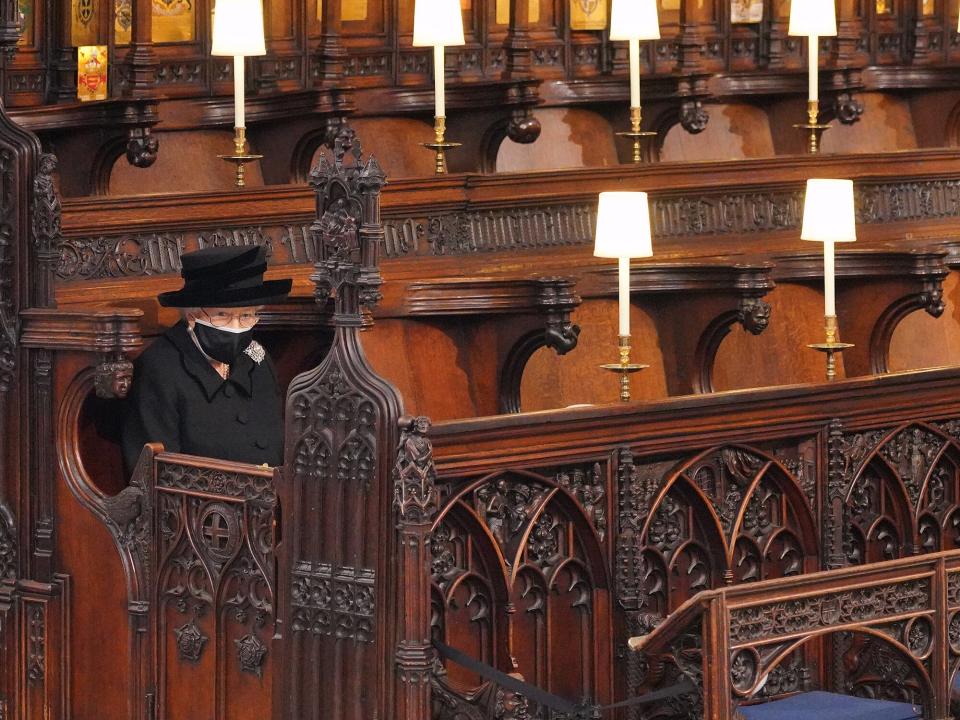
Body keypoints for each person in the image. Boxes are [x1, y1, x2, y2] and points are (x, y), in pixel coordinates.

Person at [121, 245, 292, 472]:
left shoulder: (257, 359)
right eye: (222, 315)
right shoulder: (160, 369)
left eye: (247, 315)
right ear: (192, 316)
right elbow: (155, 474)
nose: (236, 327)